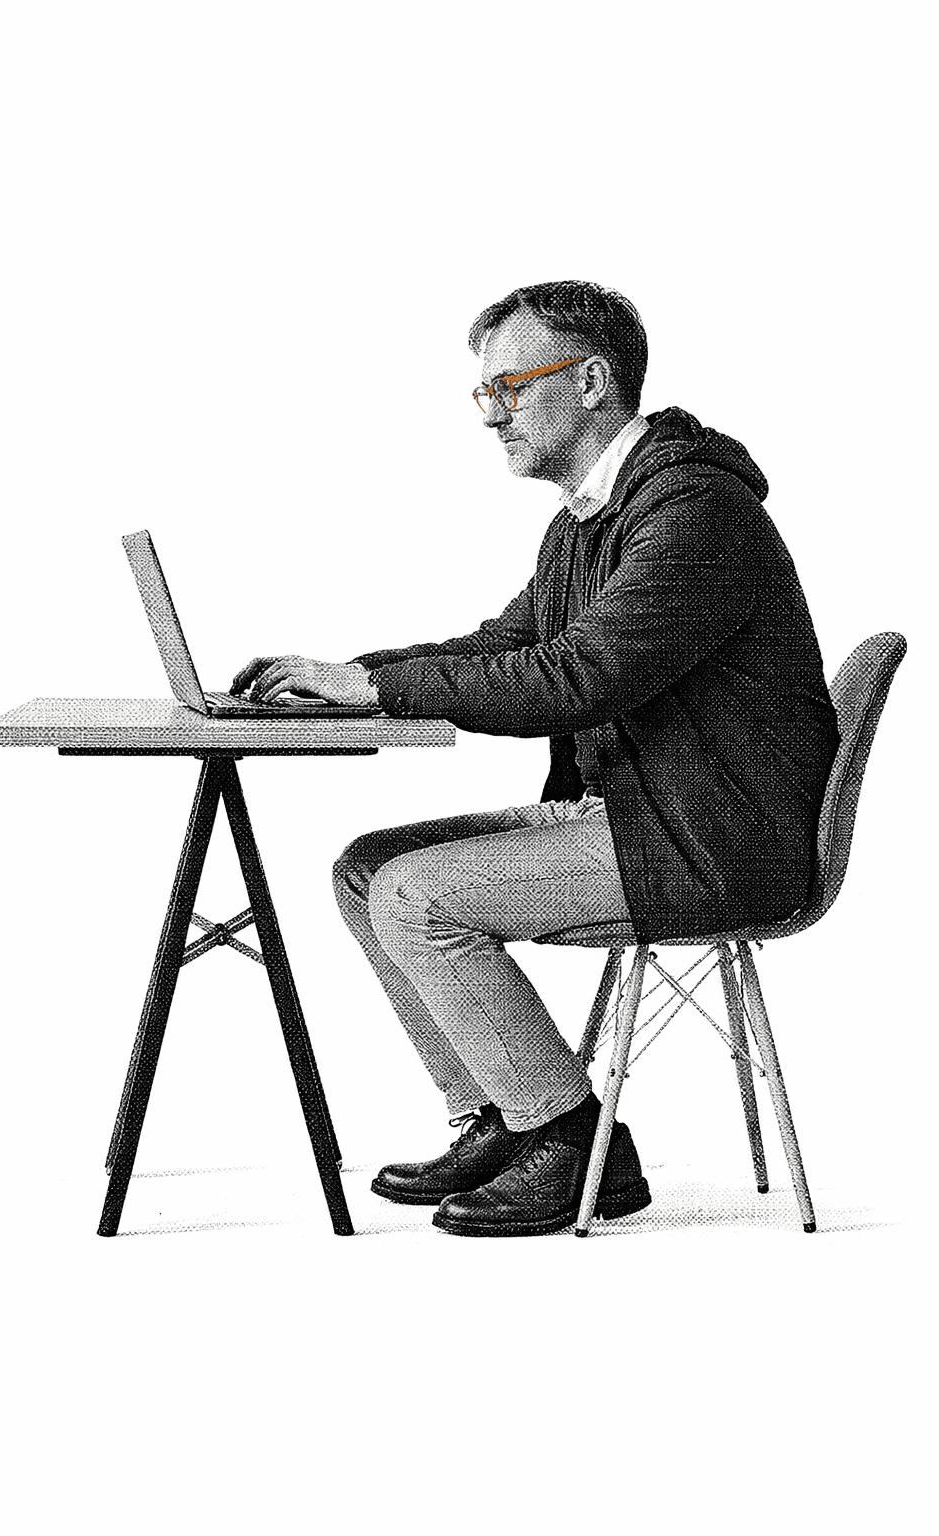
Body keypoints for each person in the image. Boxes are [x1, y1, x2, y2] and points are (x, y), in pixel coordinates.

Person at [231, 280, 840, 1238]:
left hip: (710, 839)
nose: (493, 413)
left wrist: (379, 693)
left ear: (594, 381)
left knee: (414, 895)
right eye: (487, 393)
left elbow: (574, 680)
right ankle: (504, 1119)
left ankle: (572, 1140)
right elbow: (502, 644)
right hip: (647, 817)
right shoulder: (588, 519)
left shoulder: (695, 512)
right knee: (365, 871)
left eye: (510, 385)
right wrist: (347, 674)